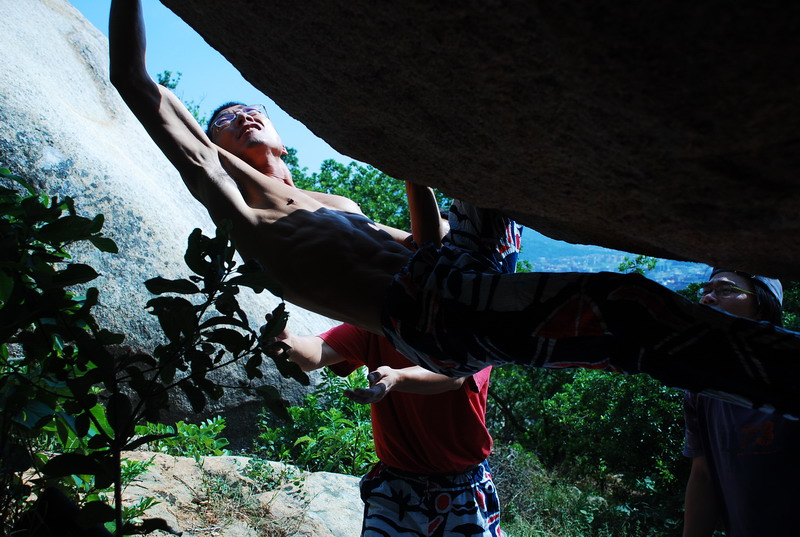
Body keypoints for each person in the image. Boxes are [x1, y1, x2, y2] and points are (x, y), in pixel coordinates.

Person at [109, 0, 800, 418]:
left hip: (450, 271)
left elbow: (428, 238)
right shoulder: (242, 212)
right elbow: (136, 82)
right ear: (214, 142)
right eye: (226, 120)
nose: (244, 114)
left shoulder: (336, 202)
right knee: (627, 311)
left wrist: (416, 164)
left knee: (486, 169)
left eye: (251, 107)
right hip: (433, 315)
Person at [272, 324, 503, 536]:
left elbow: (453, 375)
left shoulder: (471, 327)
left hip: (462, 490)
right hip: (395, 489)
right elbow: (318, 352)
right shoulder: (377, 326)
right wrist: (290, 344)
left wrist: (397, 378)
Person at [682, 269, 800, 537]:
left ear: (761, 305)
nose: (707, 298)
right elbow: (702, 475)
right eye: (706, 290)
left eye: (725, 290)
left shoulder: (792, 376)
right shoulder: (702, 390)